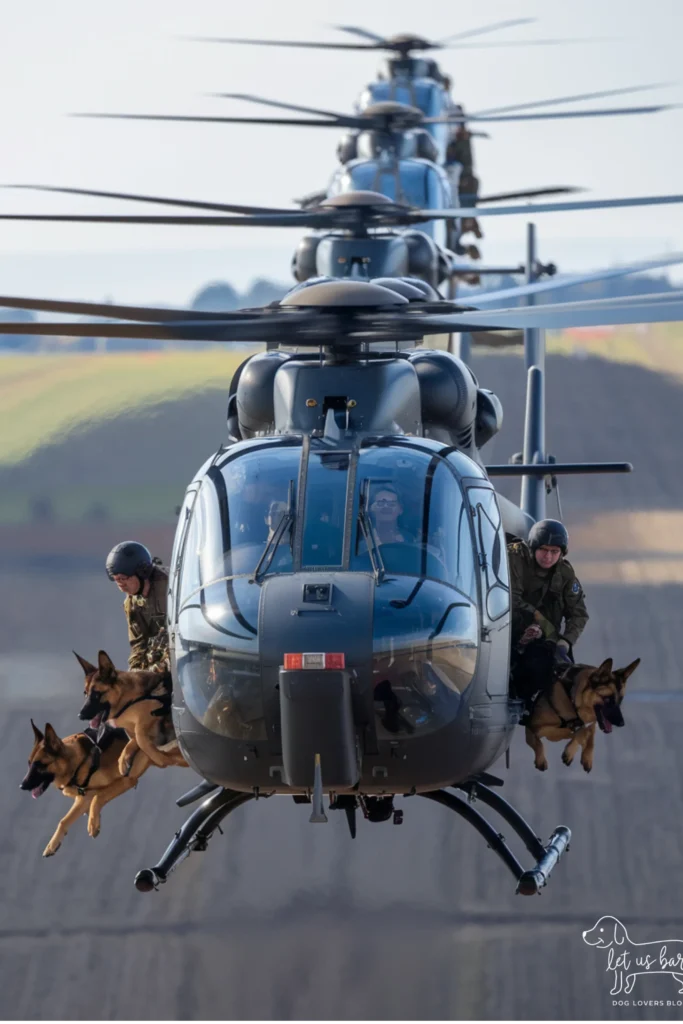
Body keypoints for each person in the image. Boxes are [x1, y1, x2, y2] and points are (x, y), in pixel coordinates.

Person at [508, 520, 589, 706]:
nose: (548, 557)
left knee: (568, 680)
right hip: (509, 629)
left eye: (554, 552)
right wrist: (541, 627)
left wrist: (564, 642)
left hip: (547, 639)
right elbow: (512, 601)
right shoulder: (515, 558)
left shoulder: (565, 573)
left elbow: (579, 614)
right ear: (533, 547)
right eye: (544, 550)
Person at [105, 541, 169, 671]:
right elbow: (138, 644)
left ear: (142, 572)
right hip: (157, 665)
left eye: (123, 578)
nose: (120, 584)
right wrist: (134, 672)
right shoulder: (131, 604)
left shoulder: (171, 587)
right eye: (116, 579)